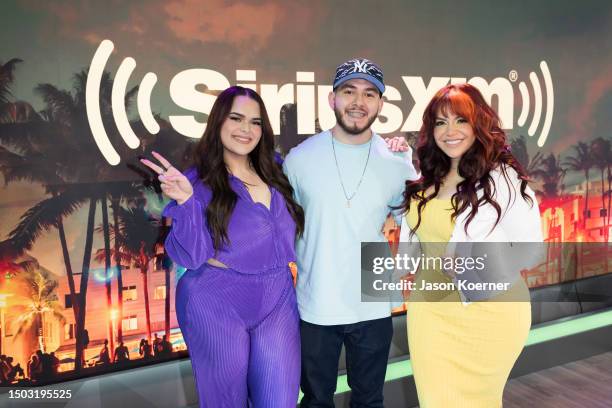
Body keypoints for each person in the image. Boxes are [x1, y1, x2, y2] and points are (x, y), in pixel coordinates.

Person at [141, 86, 305, 407]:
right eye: (236, 118)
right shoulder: (197, 181)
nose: (246, 129)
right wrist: (187, 202)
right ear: (218, 122)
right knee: (225, 401)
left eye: (255, 122)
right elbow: (190, 255)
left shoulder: (278, 169)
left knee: (281, 401)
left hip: (277, 296)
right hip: (216, 301)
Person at [283, 58, 419, 407]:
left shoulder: (397, 161)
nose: (359, 101)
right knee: (315, 400)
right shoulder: (299, 159)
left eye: (369, 94)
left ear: (380, 104)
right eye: (349, 91)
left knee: (370, 400)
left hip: (372, 299)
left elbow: (411, 220)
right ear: (332, 99)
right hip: (316, 301)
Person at [397, 83, 543, 407]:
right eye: (440, 122)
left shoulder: (502, 178)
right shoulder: (425, 181)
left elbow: (532, 249)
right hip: (430, 313)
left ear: (478, 124)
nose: (450, 131)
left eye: (460, 120)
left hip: (492, 312)